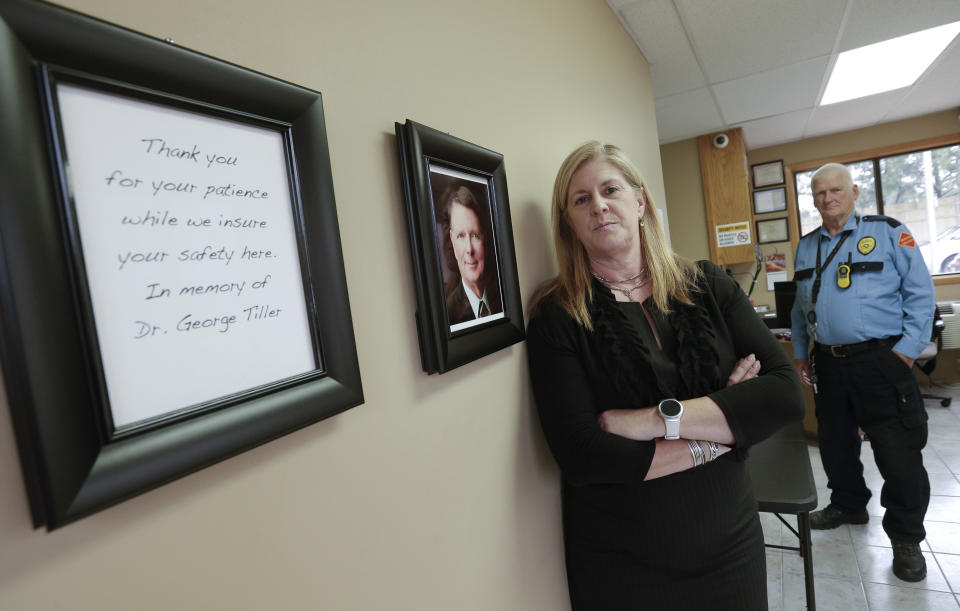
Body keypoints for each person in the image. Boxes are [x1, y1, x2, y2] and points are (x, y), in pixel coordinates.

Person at [526, 141, 804, 610]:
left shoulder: (709, 285)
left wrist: (654, 420)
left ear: (640, 201)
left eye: (610, 189)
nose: (598, 205)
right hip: (622, 562)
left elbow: (783, 394)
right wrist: (725, 430)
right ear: (570, 222)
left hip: (729, 542)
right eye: (581, 199)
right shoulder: (557, 316)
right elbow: (583, 455)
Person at [790, 162, 935, 582]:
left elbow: (921, 297)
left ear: (853, 191)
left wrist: (905, 354)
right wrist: (801, 353)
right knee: (835, 444)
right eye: (819, 193)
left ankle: (906, 536)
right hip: (830, 364)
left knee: (898, 453)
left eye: (835, 190)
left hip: (882, 361)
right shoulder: (806, 247)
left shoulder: (889, 233)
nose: (827, 198)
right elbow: (800, 310)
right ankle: (849, 504)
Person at [437, 181, 502, 324]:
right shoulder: (447, 311)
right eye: (460, 236)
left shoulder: (502, 295)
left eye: (475, 235)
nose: (469, 249)